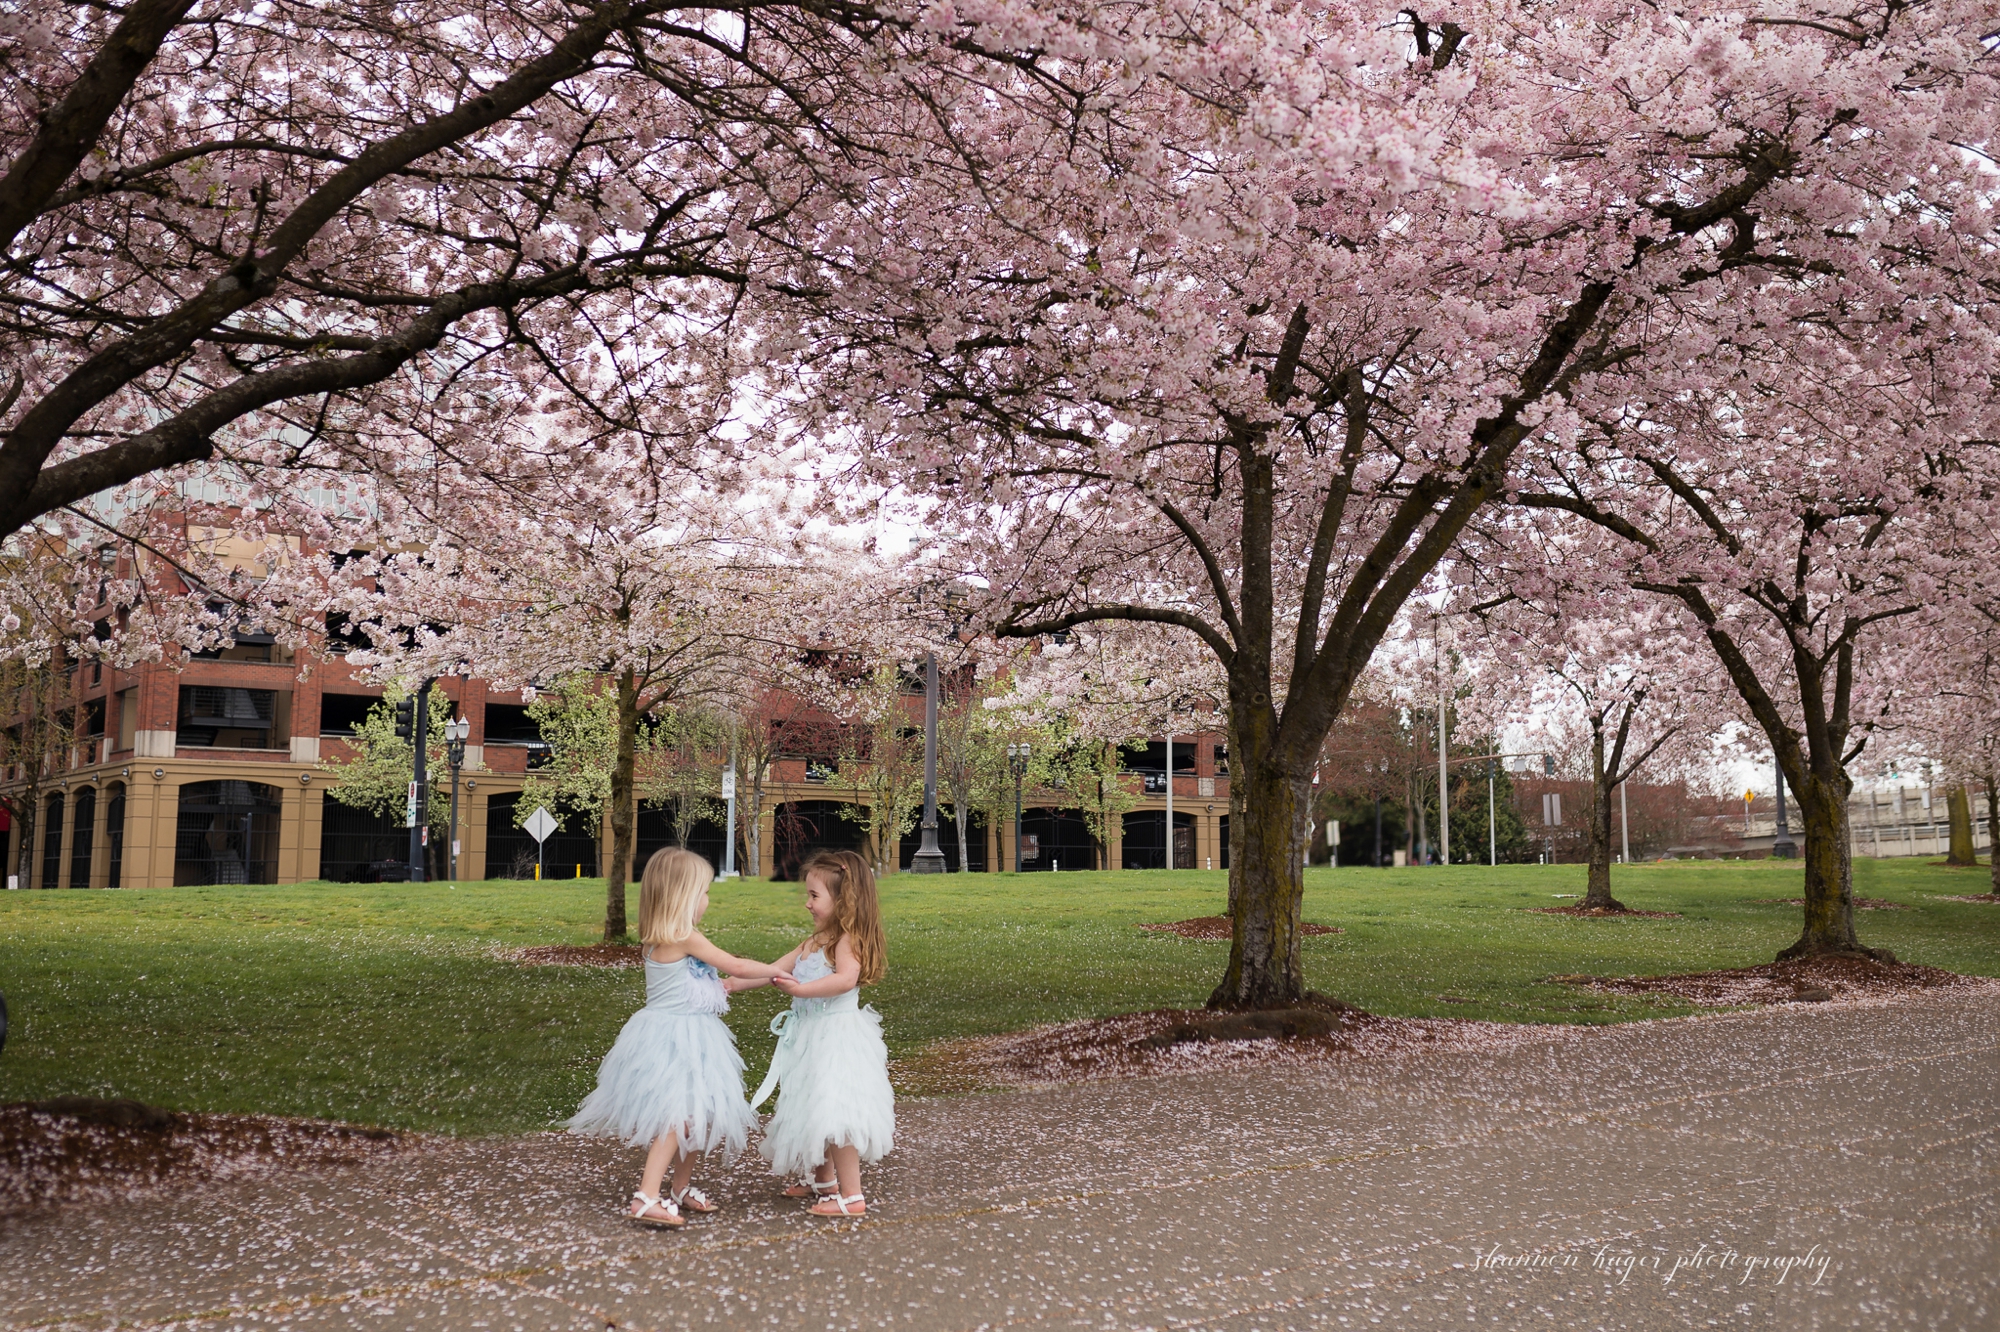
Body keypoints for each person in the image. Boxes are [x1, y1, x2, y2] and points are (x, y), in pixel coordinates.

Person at [565, 847, 791, 1229]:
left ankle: (680, 1188)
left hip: (691, 1037)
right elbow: (734, 965)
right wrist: (774, 967)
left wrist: (776, 975)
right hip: (675, 1041)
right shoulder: (682, 937)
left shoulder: (667, 938)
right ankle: (646, 1196)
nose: (707, 900)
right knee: (678, 1119)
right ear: (683, 896)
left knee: (696, 1116)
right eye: (703, 892)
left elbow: (727, 983)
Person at [741, 849, 894, 1217]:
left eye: (814, 896)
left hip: (836, 1039)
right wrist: (730, 984)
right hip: (810, 1039)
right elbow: (773, 970)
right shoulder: (813, 941)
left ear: (843, 901)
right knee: (812, 1107)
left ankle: (852, 1195)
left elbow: (845, 980)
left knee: (836, 1111)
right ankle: (824, 1181)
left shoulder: (846, 941)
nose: (806, 903)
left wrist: (799, 991)